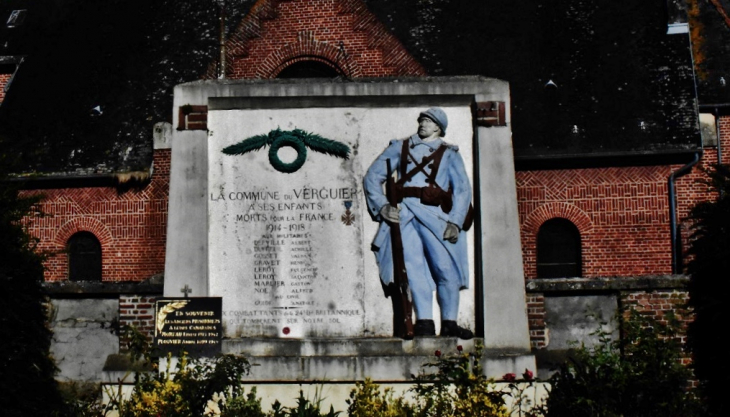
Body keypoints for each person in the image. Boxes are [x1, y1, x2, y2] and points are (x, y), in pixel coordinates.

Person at [364, 107, 474, 339]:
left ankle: (449, 322)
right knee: (414, 271)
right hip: (406, 215)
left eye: (429, 121)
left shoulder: (450, 154)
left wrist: (454, 222)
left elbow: (463, 190)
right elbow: (373, 176)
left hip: (437, 218)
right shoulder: (400, 147)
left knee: (446, 269)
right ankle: (424, 322)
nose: (422, 124)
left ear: (438, 127)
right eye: (422, 120)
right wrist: (383, 206)